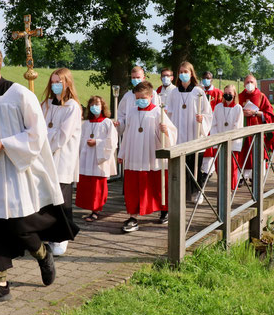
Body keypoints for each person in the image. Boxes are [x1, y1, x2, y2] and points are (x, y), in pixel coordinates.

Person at [0, 44, 78, 308]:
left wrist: (4, 143)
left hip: (16, 172)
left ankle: (42, 254)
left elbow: (36, 134)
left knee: (21, 227)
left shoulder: (19, 95)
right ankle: (0, 285)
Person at [117, 81, 177, 232]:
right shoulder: (131, 112)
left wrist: (166, 131)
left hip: (152, 156)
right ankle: (132, 216)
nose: (140, 101)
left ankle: (164, 211)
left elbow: (172, 133)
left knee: (156, 185)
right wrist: (122, 153)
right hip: (133, 155)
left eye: (143, 97)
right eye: (137, 98)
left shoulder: (158, 112)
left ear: (151, 96)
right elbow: (127, 134)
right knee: (133, 187)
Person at [41, 68, 82, 256]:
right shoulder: (46, 105)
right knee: (46, 200)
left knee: (62, 200)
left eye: (59, 81)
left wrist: (44, 139)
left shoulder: (72, 107)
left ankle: (62, 237)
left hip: (62, 159)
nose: (55, 84)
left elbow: (63, 136)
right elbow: (37, 128)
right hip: (44, 159)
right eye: (53, 81)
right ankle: (47, 234)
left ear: (67, 83)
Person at [165, 61, 212, 204]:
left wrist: (202, 119)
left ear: (191, 74)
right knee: (180, 167)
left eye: (186, 72)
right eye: (181, 72)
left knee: (195, 165)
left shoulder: (198, 92)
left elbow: (208, 113)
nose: (183, 74)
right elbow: (170, 112)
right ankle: (181, 194)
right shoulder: (174, 92)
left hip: (194, 133)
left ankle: (198, 191)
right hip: (179, 135)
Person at [76, 95, 118, 222]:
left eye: (97, 104)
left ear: (102, 106)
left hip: (99, 159)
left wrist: (97, 142)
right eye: (92, 105)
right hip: (86, 158)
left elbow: (112, 141)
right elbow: (79, 139)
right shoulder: (86, 124)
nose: (95, 107)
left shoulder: (107, 123)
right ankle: (88, 207)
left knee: (97, 185)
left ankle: (96, 210)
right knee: (87, 184)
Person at [200, 84, 243, 189]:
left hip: (232, 142)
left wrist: (229, 138)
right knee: (220, 165)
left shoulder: (238, 108)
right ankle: (222, 186)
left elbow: (238, 126)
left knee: (231, 166)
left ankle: (231, 187)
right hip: (219, 141)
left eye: (230, 93)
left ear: (234, 94)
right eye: (226, 93)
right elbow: (213, 124)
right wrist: (217, 138)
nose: (227, 95)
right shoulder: (218, 107)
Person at [238, 73, 274, 185]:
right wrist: (241, 113)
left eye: (251, 82)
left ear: (256, 83)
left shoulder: (261, 96)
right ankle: (241, 177)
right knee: (242, 153)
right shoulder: (239, 96)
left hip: (257, 131)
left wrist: (256, 113)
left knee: (256, 153)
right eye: (247, 82)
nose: (249, 84)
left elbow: (270, 115)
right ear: (244, 84)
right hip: (242, 132)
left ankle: (256, 177)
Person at [115, 66, 160, 135]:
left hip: (148, 130)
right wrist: (119, 123)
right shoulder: (127, 96)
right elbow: (121, 115)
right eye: (133, 78)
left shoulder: (152, 93)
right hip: (131, 131)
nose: (136, 80)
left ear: (143, 78)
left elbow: (156, 112)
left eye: (138, 77)